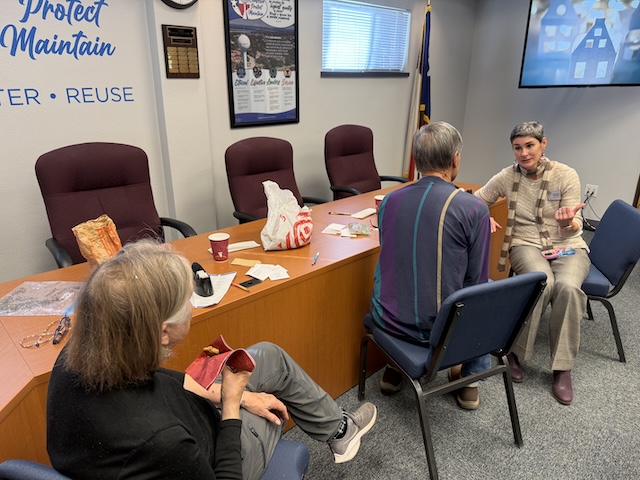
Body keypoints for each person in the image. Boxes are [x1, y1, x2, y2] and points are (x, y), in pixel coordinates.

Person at [47, 240, 376, 480]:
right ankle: (336, 427)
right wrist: (232, 403)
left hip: (183, 427)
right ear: (162, 333)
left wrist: (238, 395)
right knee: (274, 403)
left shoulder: (82, 355)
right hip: (218, 457)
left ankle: (340, 430)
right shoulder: (162, 440)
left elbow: (159, 381)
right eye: (187, 303)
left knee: (269, 355)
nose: (191, 308)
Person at [371, 121, 492, 409]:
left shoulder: (389, 201)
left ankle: (395, 365)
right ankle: (470, 381)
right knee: (487, 292)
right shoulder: (474, 209)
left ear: (417, 159)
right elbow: (475, 281)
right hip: (437, 330)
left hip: (386, 319)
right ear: (455, 159)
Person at [474, 121, 590, 405]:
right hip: (525, 243)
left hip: (567, 245)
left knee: (568, 288)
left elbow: (575, 223)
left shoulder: (566, 174)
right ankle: (513, 351)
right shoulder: (507, 176)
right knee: (542, 282)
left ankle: (562, 368)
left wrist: (568, 224)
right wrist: (483, 215)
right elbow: (477, 200)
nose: (524, 153)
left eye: (530, 145)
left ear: (543, 144)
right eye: (518, 147)